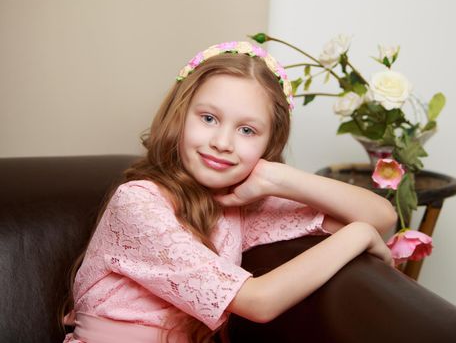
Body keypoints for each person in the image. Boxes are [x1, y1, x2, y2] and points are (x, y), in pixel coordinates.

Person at [62, 41, 397, 343]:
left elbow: (382, 216)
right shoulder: (137, 202)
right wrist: (359, 234)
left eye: (247, 130)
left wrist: (280, 178)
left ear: (269, 142)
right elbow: (258, 302)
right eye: (208, 118)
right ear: (179, 117)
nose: (222, 143)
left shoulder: (238, 207)